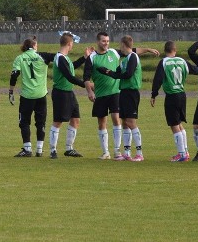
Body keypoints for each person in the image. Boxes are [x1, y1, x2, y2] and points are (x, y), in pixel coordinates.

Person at [96, 35, 150, 161]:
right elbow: (117, 74)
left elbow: (128, 74)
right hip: (124, 92)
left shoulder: (133, 57)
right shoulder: (124, 60)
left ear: (123, 45)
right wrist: (106, 71)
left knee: (131, 122)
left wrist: (114, 74)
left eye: (120, 45)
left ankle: (139, 153)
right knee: (125, 122)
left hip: (131, 92)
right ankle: (126, 152)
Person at [9, 36, 53, 157]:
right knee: (41, 122)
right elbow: (59, 57)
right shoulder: (43, 56)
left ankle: (27, 149)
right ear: (34, 46)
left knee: (24, 122)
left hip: (27, 96)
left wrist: (11, 91)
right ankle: (39, 149)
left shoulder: (20, 58)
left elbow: (14, 75)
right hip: (41, 95)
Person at [82, 32, 123, 160]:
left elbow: (131, 50)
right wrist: (90, 91)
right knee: (101, 122)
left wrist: (148, 50)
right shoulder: (92, 58)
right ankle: (106, 152)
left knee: (116, 118)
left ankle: (117, 151)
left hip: (115, 92)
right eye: (104, 41)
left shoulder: (114, 53)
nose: (106, 43)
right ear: (98, 42)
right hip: (100, 94)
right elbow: (86, 78)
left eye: (108, 41)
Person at [49, 32, 90, 159]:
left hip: (69, 92)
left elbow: (72, 66)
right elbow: (69, 77)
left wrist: (84, 57)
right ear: (69, 44)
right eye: (72, 43)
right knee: (58, 121)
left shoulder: (64, 58)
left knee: (75, 119)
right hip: (60, 93)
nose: (72, 46)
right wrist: (86, 85)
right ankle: (53, 150)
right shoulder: (60, 58)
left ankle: (69, 148)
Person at [150, 41, 192, 162]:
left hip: (172, 96)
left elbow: (158, 79)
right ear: (175, 49)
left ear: (165, 50)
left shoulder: (164, 62)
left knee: (174, 124)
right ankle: (185, 151)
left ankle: (181, 154)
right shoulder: (182, 61)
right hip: (182, 94)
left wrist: (154, 94)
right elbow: (194, 69)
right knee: (179, 123)